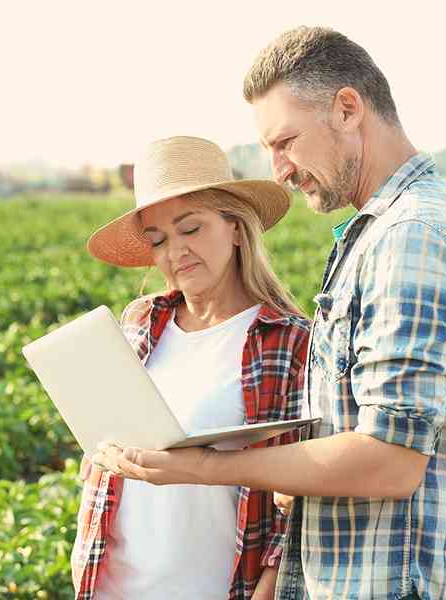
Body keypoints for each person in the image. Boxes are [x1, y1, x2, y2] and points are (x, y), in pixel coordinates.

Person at [93, 27, 446, 600]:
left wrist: (205, 467)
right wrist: (298, 487)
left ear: (347, 108)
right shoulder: (378, 235)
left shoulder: (411, 238)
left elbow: (390, 461)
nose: (280, 170)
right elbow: (362, 439)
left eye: (285, 141)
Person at [73, 135, 311, 600]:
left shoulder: (289, 340)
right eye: (158, 240)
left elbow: (299, 499)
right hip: (114, 584)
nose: (175, 252)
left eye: (191, 229)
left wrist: (267, 589)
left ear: (236, 227)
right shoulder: (141, 322)